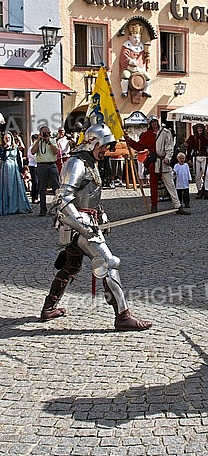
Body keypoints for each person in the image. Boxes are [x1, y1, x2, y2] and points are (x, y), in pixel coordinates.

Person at [39, 123, 152, 331]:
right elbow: (62, 199)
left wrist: (101, 215)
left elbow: (88, 196)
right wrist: (82, 222)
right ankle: (123, 316)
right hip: (77, 227)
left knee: (71, 265)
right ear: (93, 143)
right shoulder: (76, 163)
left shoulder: (90, 162)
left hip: (85, 224)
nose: (106, 150)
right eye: (104, 146)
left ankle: (49, 307)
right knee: (109, 263)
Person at [126, 115, 190, 215]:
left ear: (157, 122)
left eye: (155, 122)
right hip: (153, 163)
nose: (154, 124)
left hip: (164, 163)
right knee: (153, 187)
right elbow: (139, 147)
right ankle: (154, 206)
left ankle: (178, 206)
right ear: (150, 124)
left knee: (171, 185)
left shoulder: (165, 132)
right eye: (152, 122)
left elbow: (169, 147)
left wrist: (167, 158)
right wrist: (129, 140)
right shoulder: (147, 134)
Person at [0, 131, 32, 215]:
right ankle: (7, 207)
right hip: (6, 169)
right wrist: (5, 149)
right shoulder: (2, 148)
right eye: (6, 138)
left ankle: (17, 206)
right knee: (6, 187)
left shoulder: (16, 148)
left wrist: (22, 172)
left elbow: (19, 160)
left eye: (9, 138)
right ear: (3, 139)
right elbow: (2, 158)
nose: (7, 139)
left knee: (16, 186)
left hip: (14, 169)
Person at [31, 126, 60, 217]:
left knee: (56, 188)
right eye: (44, 133)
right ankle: (43, 209)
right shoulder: (38, 142)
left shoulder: (53, 140)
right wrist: (39, 140)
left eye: (48, 132)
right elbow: (32, 151)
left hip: (52, 165)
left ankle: (58, 209)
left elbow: (56, 152)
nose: (46, 134)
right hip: (41, 165)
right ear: (40, 133)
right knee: (42, 188)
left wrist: (49, 142)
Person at [119, 23, 151, 98]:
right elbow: (123, 57)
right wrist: (130, 61)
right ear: (130, 37)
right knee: (125, 75)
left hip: (139, 68)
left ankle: (146, 91)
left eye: (138, 38)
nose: (137, 40)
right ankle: (124, 91)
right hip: (129, 68)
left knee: (147, 77)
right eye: (135, 37)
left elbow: (142, 58)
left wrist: (146, 56)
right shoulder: (127, 46)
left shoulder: (141, 47)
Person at [185, 122, 208, 200]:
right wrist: (188, 159)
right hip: (196, 157)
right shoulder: (192, 138)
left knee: (207, 174)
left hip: (205, 157)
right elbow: (189, 149)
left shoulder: (207, 137)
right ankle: (199, 190)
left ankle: (207, 191)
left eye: (201, 128)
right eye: (198, 128)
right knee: (197, 175)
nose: (199, 130)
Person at [27, 133, 39, 204]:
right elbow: (34, 157)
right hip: (33, 166)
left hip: (38, 166)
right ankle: (34, 197)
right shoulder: (31, 147)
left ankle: (36, 197)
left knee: (38, 182)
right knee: (35, 182)